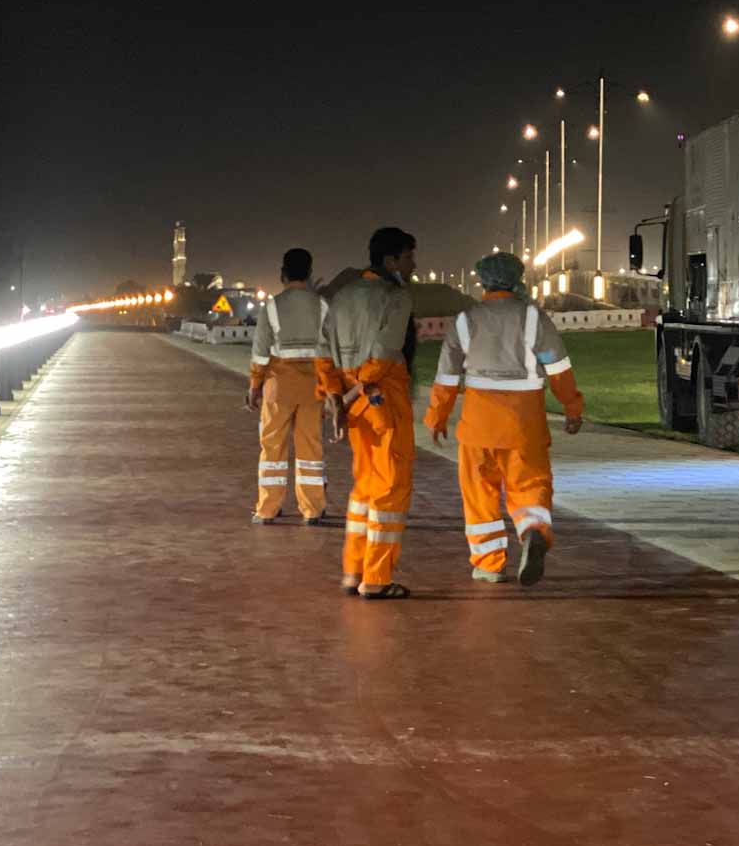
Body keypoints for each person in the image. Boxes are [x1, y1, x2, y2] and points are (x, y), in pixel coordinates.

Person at [424, 252, 583, 586]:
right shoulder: (533, 318)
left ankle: (488, 564)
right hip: (525, 424)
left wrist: (437, 417)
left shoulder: (465, 320)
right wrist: (572, 406)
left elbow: (447, 376)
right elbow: (558, 366)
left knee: (479, 494)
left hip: (478, 426)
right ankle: (532, 531)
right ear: (517, 278)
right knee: (530, 484)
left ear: (483, 280)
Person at [326, 227, 418, 599]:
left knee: (364, 486)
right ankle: (376, 578)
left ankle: (353, 570)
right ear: (391, 260)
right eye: (410, 257)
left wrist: (336, 395)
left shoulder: (341, 296)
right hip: (383, 400)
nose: (413, 265)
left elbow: (323, 351)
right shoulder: (395, 297)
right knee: (390, 488)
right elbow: (384, 351)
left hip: (353, 403)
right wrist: (357, 389)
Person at [246, 248, 338, 525]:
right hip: (313, 388)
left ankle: (267, 509)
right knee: (310, 448)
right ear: (310, 274)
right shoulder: (322, 306)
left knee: (272, 449)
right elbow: (330, 352)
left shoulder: (272, 307)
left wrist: (254, 385)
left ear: (282, 274)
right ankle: (312, 509)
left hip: (278, 388)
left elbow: (261, 352)